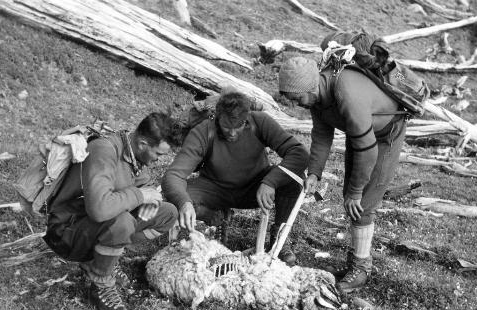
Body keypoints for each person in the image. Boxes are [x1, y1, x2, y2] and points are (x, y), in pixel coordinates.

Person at [278, 49, 407, 292]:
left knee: (362, 203)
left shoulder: (346, 95)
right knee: (351, 196)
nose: (297, 105)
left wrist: (357, 191)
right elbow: (322, 136)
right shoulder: (318, 97)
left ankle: (361, 269)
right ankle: (354, 263)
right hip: (360, 135)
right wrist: (314, 172)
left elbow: (367, 151)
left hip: (385, 136)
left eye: (297, 99)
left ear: (310, 87)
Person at [43, 112, 178, 310]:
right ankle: (100, 284)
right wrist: (139, 196)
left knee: (167, 213)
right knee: (121, 223)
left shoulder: (132, 152)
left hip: (90, 225)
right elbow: (100, 210)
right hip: (67, 230)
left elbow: (144, 184)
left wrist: (151, 200)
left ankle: (103, 258)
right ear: (142, 143)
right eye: (158, 154)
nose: (158, 160)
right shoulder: (104, 150)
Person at [161, 89, 309, 266]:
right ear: (217, 118)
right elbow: (174, 175)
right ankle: (214, 217)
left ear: (246, 119)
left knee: (293, 180)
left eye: (238, 126)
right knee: (174, 195)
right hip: (214, 188)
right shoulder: (203, 131)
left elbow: (299, 153)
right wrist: (184, 202)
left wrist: (270, 181)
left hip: (255, 187)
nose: (231, 133)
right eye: (225, 127)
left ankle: (278, 239)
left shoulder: (260, 122)